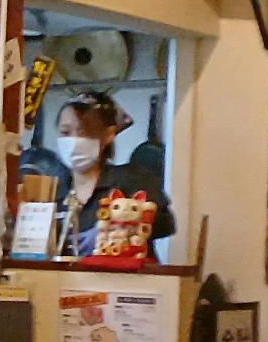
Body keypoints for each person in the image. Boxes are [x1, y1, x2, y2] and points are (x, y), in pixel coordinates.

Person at [53, 92, 176, 256]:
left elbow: (166, 224)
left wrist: (123, 224)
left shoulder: (133, 178)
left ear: (108, 135)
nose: (73, 141)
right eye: (65, 132)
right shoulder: (54, 192)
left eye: (83, 132)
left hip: (124, 271)